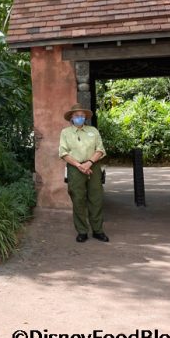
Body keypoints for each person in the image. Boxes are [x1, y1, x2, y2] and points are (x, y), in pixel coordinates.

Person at [59, 103, 109, 243]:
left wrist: (89, 163)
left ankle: (98, 230)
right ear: (71, 117)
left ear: (85, 117)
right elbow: (63, 152)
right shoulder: (65, 133)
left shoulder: (93, 131)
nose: (79, 117)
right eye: (76, 115)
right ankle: (82, 231)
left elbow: (100, 149)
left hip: (93, 166)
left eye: (82, 115)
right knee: (78, 199)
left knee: (96, 198)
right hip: (75, 168)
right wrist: (79, 165)